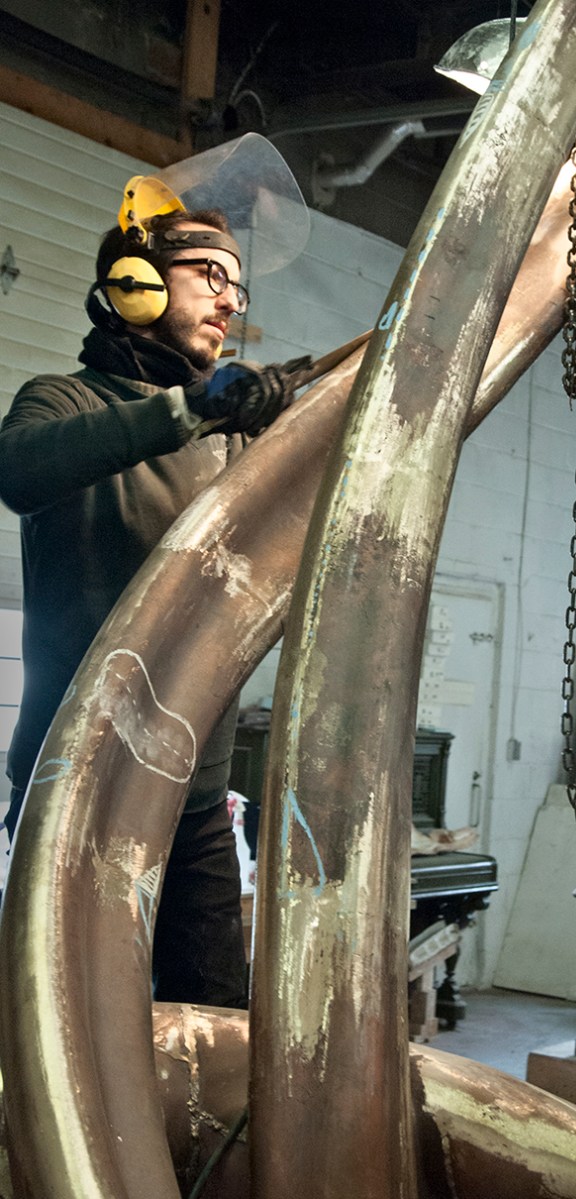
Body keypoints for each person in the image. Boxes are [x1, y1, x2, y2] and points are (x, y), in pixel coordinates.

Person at [0, 203, 302, 1009]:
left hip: (196, 800)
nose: (230, 299)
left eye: (237, 285)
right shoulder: (63, 400)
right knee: (72, 1021)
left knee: (215, 1025)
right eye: (210, 273)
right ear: (133, 287)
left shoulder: (234, 439)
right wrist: (189, 409)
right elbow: (20, 471)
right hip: (75, 781)